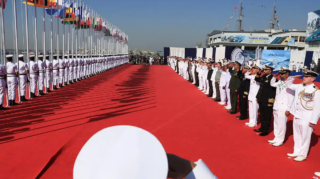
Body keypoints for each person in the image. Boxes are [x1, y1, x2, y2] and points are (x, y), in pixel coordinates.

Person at [287, 70, 320, 162]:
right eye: (304, 76)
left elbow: (318, 107)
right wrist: (293, 77)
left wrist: (313, 121)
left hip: (307, 117)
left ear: (312, 79)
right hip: (297, 114)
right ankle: (296, 151)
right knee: (297, 135)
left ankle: (302, 154)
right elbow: (288, 84)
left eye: (306, 76)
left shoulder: (316, 91)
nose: (304, 78)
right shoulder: (300, 87)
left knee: (305, 137)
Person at [268, 67, 295, 146]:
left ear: (287, 74)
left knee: (281, 124)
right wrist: (274, 77)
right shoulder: (280, 82)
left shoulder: (290, 84)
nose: (281, 75)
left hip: (284, 107)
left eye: (282, 74)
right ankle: (276, 138)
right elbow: (272, 84)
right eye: (280, 73)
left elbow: (291, 97)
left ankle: (280, 140)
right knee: (276, 123)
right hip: (276, 105)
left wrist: (288, 109)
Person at [254, 65, 276, 136]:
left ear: (270, 71)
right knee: (262, 115)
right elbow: (257, 79)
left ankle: (265, 130)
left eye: (266, 70)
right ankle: (262, 127)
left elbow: (273, 91)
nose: (264, 71)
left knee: (267, 116)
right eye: (264, 70)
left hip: (267, 100)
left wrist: (270, 101)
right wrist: (259, 73)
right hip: (261, 99)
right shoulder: (263, 76)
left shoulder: (273, 78)